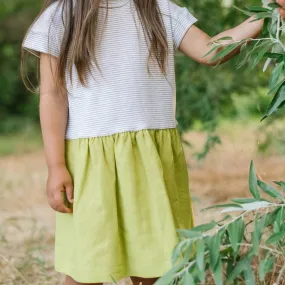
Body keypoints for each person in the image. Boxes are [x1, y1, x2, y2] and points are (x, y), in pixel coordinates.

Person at [21, 0, 285, 284]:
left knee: (158, 263)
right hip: (90, 166)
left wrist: (263, 15)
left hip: (151, 160)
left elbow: (210, 50)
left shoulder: (160, 9)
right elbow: (53, 95)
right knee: (87, 266)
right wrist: (56, 164)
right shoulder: (61, 16)